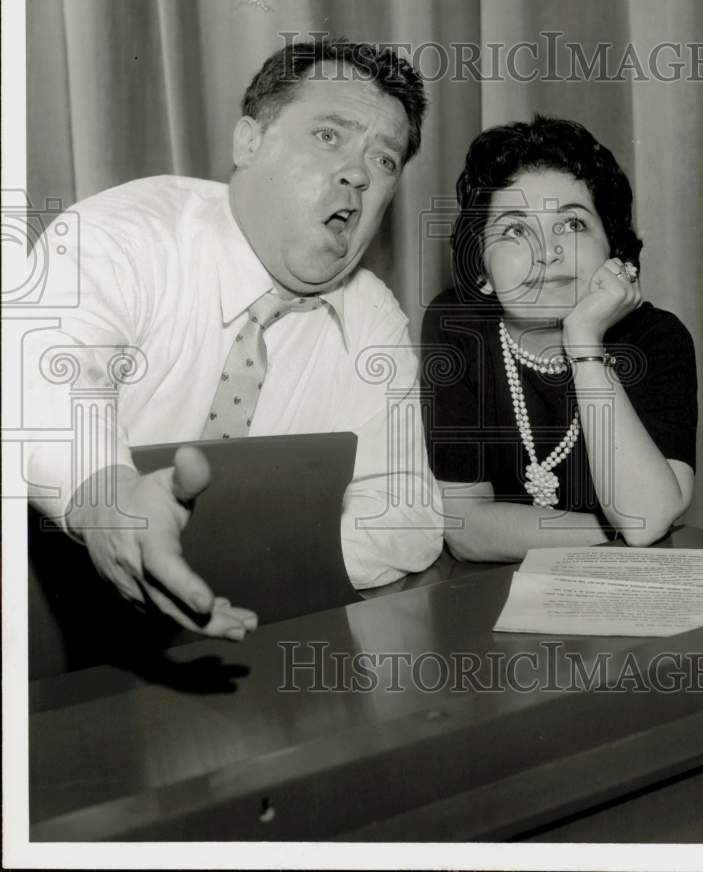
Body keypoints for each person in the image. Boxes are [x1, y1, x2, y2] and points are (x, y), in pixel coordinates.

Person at [26, 37, 444, 641]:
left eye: (384, 160)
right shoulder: (125, 236)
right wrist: (107, 502)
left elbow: (405, 513)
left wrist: (238, 575)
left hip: (254, 645)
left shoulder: (372, 318)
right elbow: (50, 385)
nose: (357, 173)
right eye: (329, 135)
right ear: (248, 142)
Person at [421, 115, 697, 561]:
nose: (547, 253)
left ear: (614, 251)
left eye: (571, 225)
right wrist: (614, 529)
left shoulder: (657, 338)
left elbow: (644, 517)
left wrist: (585, 341)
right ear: (483, 271)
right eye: (515, 230)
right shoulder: (457, 325)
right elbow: (465, 529)